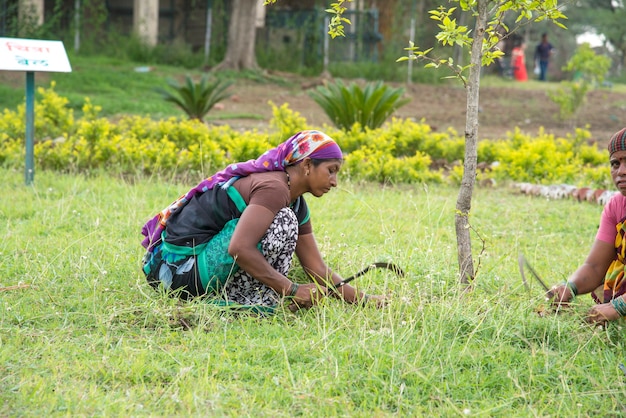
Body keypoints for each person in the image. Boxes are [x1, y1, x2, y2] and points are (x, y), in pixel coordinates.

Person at [140, 130, 386, 313]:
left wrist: (365, 300)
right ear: (308, 165)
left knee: (286, 219)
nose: (334, 182)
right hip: (177, 272)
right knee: (283, 221)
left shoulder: (296, 201)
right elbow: (239, 248)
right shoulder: (274, 188)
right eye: (331, 170)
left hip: (187, 270)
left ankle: (259, 297)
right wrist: (291, 289)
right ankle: (253, 300)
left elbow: (316, 268)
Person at [548, 127, 626, 326]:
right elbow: (595, 266)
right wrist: (569, 287)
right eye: (615, 163)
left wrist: (618, 306)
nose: (621, 171)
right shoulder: (616, 206)